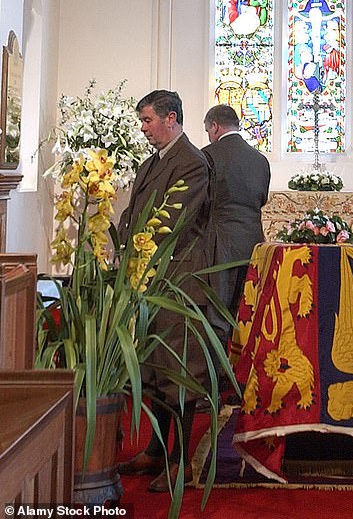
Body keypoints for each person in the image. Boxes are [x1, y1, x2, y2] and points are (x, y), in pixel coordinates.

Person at [117, 90, 214, 492]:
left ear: (171, 118)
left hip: (178, 277)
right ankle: (156, 450)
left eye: (147, 120)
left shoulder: (192, 162)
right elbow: (136, 210)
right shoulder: (154, 161)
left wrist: (136, 239)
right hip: (149, 277)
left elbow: (172, 218)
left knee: (179, 371)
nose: (143, 128)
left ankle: (180, 463)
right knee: (154, 369)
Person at [202, 104, 271, 349]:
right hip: (255, 243)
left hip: (221, 243)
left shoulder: (208, 155)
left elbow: (203, 201)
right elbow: (261, 198)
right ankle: (245, 376)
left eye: (208, 130)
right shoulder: (260, 159)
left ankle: (217, 380)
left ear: (215, 126)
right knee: (249, 311)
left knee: (218, 313)